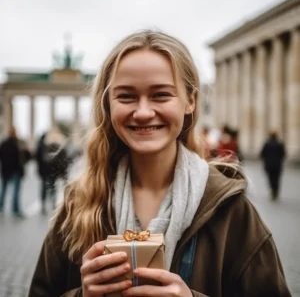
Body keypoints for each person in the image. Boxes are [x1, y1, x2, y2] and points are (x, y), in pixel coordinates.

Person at [29, 31, 291, 297]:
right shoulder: (78, 205)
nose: (143, 112)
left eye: (161, 95)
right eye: (126, 96)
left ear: (190, 100)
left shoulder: (232, 210)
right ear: (107, 104)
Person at [35, 128, 69, 214]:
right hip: (54, 171)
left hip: (46, 171)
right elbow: (64, 161)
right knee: (53, 188)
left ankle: (44, 204)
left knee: (45, 188)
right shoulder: (59, 147)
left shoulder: (45, 146)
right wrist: (64, 174)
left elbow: (40, 159)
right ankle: (52, 204)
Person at [0, 127, 30, 217]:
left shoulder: (4, 144)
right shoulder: (17, 144)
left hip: (6, 170)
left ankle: (1, 207)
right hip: (15, 170)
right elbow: (24, 157)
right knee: (15, 191)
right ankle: (15, 210)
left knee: (4, 190)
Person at [260, 131, 286, 200]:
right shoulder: (280, 144)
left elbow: (262, 154)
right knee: (277, 179)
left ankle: (272, 190)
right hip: (277, 165)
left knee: (270, 178)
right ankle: (276, 190)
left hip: (269, 165)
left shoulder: (267, 144)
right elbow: (283, 154)